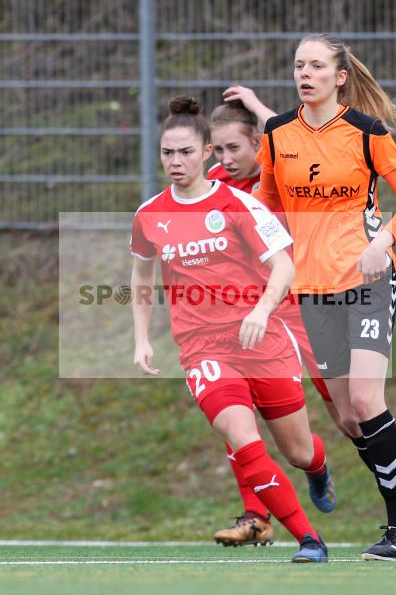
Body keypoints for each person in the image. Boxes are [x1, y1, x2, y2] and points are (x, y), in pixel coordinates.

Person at [252, 34, 396, 560]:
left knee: (366, 399)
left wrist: (383, 240)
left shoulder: (367, 133)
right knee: (349, 418)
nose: (305, 73)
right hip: (312, 287)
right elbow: (266, 205)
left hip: (366, 280)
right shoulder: (276, 135)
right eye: (298, 65)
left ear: (339, 76)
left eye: (316, 65)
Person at [130, 95, 329, 562]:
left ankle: (318, 467)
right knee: (243, 439)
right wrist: (140, 338)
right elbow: (141, 275)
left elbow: (283, 267)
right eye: (166, 153)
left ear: (205, 153)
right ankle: (309, 539)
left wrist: (260, 311)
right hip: (203, 349)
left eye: (185, 152)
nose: (175, 162)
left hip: (262, 341)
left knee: (298, 452)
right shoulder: (150, 215)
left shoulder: (237, 204)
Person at [207, 94, 342, 547]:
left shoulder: (281, 171)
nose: (224, 159)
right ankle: (256, 517)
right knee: (235, 412)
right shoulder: (211, 186)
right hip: (242, 320)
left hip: (299, 308)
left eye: (234, 149)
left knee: (347, 415)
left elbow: (302, 139)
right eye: (217, 149)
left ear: (259, 145)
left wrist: (257, 105)